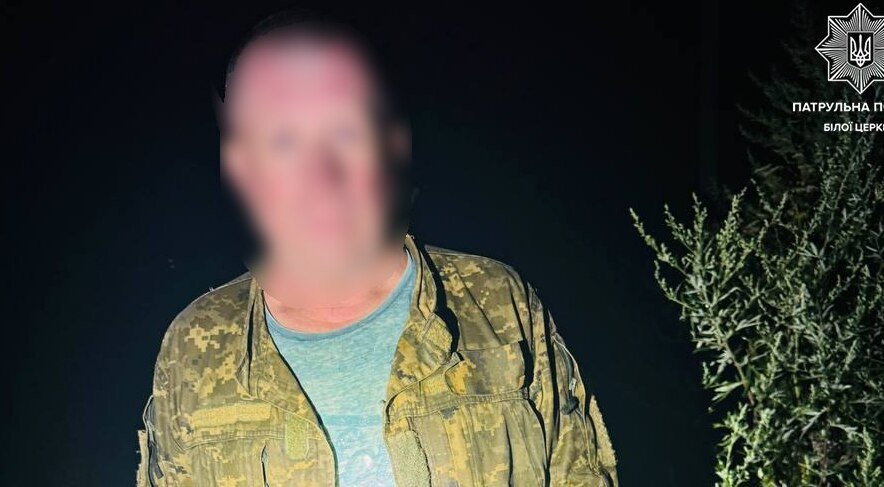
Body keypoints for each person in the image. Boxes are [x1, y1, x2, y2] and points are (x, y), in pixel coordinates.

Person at [137, 11, 617, 487]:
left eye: (346, 131)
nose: (321, 174)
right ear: (242, 166)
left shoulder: (499, 304)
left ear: (390, 143)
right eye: (283, 140)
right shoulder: (194, 345)